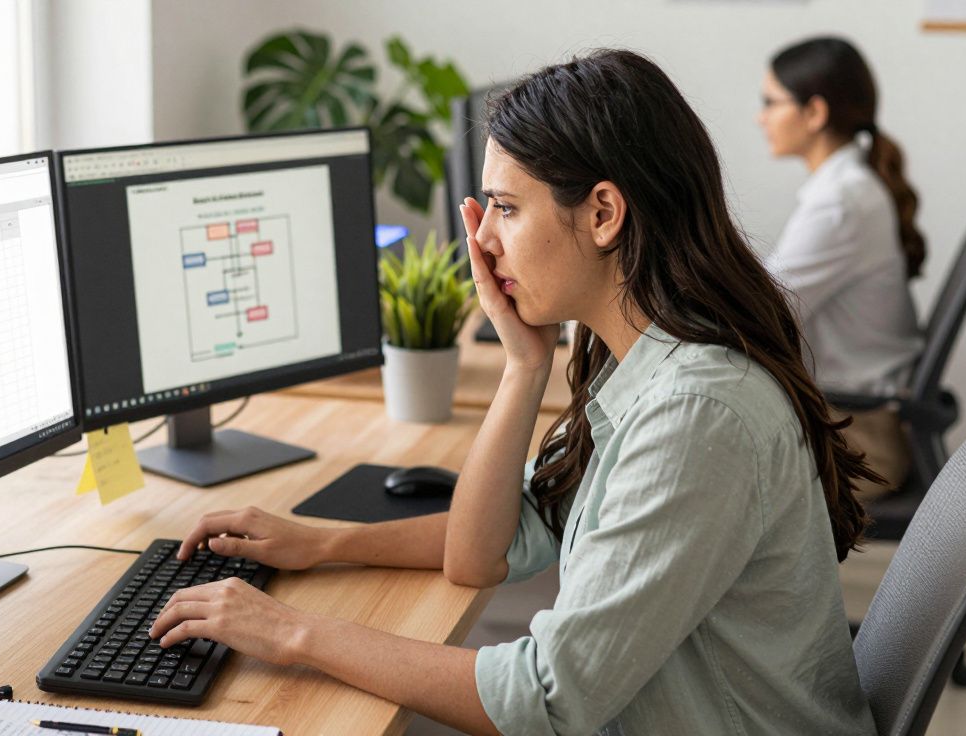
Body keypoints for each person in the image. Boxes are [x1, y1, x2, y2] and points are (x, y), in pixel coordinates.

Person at [149, 49, 879, 735]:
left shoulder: (696, 415)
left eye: (505, 208)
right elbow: (480, 555)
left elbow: (546, 700)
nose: (484, 240)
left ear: (602, 214)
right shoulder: (645, 367)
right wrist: (328, 541)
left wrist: (294, 631)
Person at [760, 36, 925, 498]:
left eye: (770, 103)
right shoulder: (845, 189)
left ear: (814, 112)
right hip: (855, 423)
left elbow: (766, 314)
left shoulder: (841, 203)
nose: (761, 117)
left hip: (860, 441)